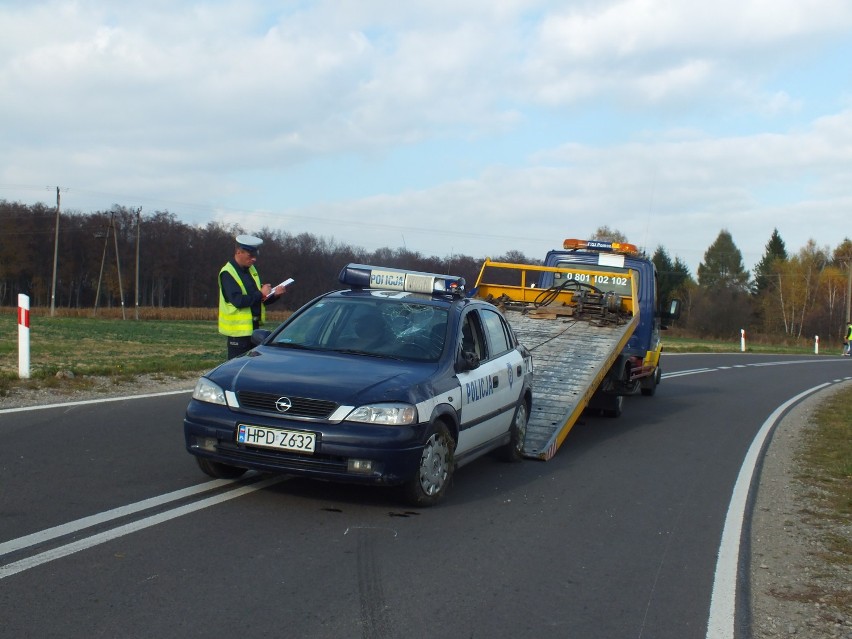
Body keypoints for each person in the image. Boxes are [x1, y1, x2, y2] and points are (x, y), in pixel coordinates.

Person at [218, 235, 285, 359]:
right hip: (238, 334)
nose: (254, 259)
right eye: (250, 255)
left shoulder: (251, 270)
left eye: (255, 255)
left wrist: (274, 295)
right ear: (239, 252)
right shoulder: (227, 273)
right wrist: (261, 293)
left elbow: (257, 300)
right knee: (236, 369)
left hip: (254, 330)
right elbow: (238, 301)